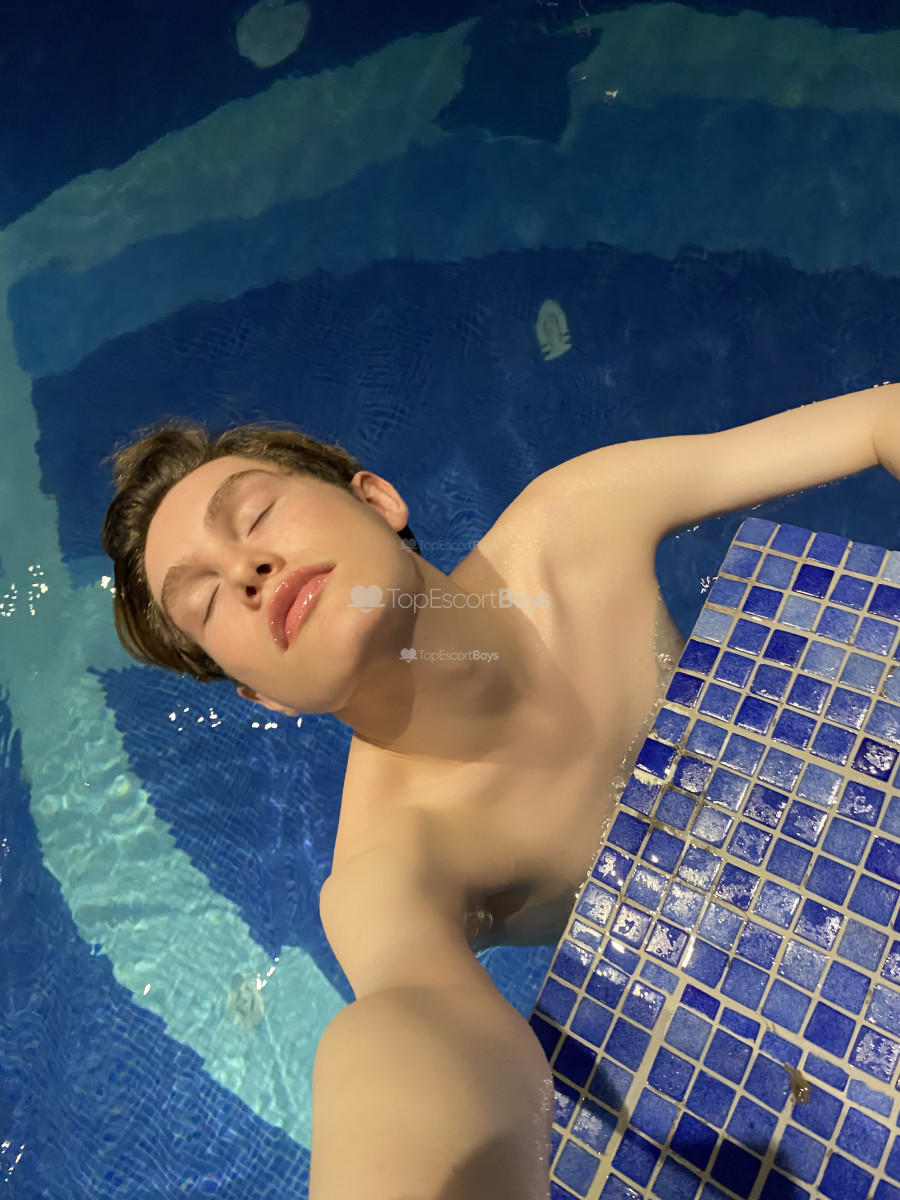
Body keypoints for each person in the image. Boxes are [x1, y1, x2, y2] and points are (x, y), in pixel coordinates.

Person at [102, 383, 900, 1199]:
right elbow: (411, 1034)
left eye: (257, 514)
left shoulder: (577, 522)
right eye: (206, 601)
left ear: (376, 500)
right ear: (265, 697)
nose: (246, 570)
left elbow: (878, 420)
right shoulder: (389, 868)